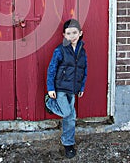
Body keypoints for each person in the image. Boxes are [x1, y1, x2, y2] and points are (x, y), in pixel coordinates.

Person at [45, 19, 87, 159]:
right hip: (60, 87)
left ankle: (68, 144)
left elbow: (84, 70)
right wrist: (50, 88)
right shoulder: (60, 50)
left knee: (70, 116)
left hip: (73, 89)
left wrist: (81, 86)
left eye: (75, 33)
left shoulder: (82, 52)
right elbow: (52, 69)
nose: (72, 36)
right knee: (68, 113)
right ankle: (49, 103)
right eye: (69, 33)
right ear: (64, 35)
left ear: (80, 33)